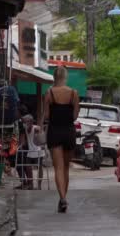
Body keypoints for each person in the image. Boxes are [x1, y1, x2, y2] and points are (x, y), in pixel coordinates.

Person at [44, 66, 80, 213]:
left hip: (54, 131)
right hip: (69, 132)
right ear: (65, 77)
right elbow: (75, 116)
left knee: (58, 167)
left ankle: (62, 198)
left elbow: (46, 116)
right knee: (65, 168)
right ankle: (63, 198)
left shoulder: (49, 93)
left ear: (54, 77)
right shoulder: (73, 93)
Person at [24, 113, 45, 190]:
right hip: (31, 151)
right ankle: (31, 184)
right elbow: (27, 139)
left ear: (31, 122)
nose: (25, 124)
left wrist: (37, 134)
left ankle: (39, 185)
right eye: (24, 122)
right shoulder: (26, 129)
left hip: (38, 150)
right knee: (27, 166)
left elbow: (40, 139)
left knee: (39, 167)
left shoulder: (36, 128)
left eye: (26, 122)